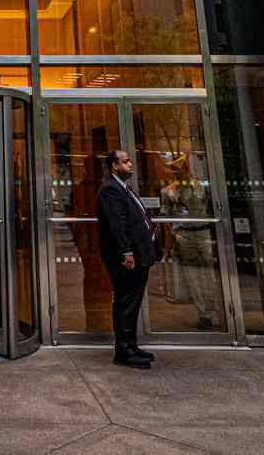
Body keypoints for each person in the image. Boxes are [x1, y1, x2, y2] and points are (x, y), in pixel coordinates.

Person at [97, 148, 158, 369]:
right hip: (125, 257)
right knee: (125, 302)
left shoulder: (124, 188)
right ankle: (123, 351)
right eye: (126, 161)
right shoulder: (110, 190)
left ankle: (131, 346)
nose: (130, 165)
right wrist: (127, 252)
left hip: (139, 254)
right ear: (114, 166)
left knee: (133, 302)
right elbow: (117, 224)